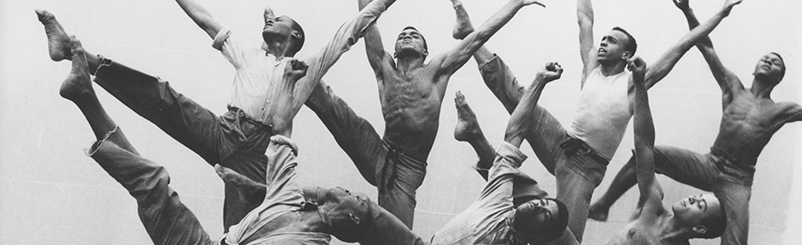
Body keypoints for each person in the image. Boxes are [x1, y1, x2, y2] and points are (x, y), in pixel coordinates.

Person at [37, 0, 398, 229]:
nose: (269, 19)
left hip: (258, 155)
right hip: (224, 130)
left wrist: (381, 3)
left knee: (244, 224)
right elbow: (207, 20)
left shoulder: (304, 68)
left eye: (279, 20)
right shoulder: (249, 54)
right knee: (165, 98)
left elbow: (347, 34)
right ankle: (71, 50)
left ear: (294, 34)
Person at [56, 37, 425, 245]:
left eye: (349, 196)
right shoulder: (288, 194)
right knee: (152, 185)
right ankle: (85, 95)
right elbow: (281, 128)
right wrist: (287, 82)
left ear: (350, 218)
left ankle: (86, 92)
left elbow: (380, 222)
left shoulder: (314, 241)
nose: (340, 192)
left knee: (152, 184)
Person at [447, 0, 742, 241]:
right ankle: (472, 38)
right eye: (603, 39)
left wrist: (722, 11)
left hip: (585, 168)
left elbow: (684, 44)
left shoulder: (633, 83)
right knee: (519, 96)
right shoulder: (591, 66)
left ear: (626, 53)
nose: (602, 43)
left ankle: (480, 144)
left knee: (567, 238)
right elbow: (585, 19)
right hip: (562, 143)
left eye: (611, 42)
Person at [588, 0, 802, 244]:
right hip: (710, 163)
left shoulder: (781, 109)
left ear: (779, 77)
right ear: (754, 69)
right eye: (766, 57)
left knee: (735, 239)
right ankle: (603, 205)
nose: (769, 60)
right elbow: (705, 46)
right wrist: (688, 11)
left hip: (737, 180)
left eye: (777, 62)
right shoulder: (733, 87)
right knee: (649, 155)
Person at [303, 0, 544, 228]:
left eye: (414, 35)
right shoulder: (383, 65)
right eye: (402, 36)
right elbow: (367, 20)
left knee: (395, 233)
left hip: (407, 168)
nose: (407, 36)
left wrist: (515, 4)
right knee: (330, 102)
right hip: (378, 152)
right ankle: (282, 68)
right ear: (395, 50)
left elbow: (479, 36)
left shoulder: (438, 70)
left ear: (425, 50)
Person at [430, 63, 571, 245]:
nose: (538, 206)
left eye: (545, 215)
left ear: (540, 238)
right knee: (379, 217)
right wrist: (540, 80)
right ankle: (474, 134)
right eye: (542, 204)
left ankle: (474, 134)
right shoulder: (497, 199)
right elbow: (515, 133)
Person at [606, 56, 727, 245]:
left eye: (699, 205)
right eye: (697, 197)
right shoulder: (652, 205)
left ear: (699, 228)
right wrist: (640, 83)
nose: (692, 198)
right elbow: (644, 145)